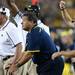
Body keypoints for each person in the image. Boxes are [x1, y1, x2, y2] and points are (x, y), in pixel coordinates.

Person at [0, 7, 22, 75]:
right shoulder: (1, 27)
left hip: (10, 60)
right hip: (1, 61)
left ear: (4, 15)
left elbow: (19, 46)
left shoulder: (10, 28)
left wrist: (14, 64)